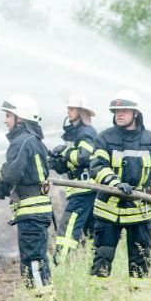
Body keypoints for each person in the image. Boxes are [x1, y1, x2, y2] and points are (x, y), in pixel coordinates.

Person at [88, 90, 151, 282]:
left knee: (140, 259)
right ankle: (98, 297)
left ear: (136, 113)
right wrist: (115, 183)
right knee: (102, 257)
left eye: (124, 110)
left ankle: (139, 300)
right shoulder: (104, 138)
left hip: (139, 210)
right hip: (108, 209)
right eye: (116, 111)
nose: (119, 114)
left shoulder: (150, 141)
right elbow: (97, 167)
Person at [0, 94, 52, 295]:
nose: (5, 120)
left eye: (9, 115)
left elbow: (13, 172)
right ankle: (42, 299)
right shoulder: (33, 140)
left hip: (32, 211)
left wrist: (0, 183)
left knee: (33, 260)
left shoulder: (21, 141)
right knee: (35, 258)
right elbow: (18, 169)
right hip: (38, 210)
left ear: (21, 118)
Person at [49, 92, 98, 265]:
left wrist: (65, 151)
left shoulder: (86, 132)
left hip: (85, 188)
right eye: (68, 108)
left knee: (68, 225)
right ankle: (96, 263)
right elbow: (71, 163)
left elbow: (83, 157)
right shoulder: (73, 132)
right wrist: (56, 162)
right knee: (93, 230)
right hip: (80, 187)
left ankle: (60, 264)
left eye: (73, 108)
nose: (69, 111)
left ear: (82, 111)